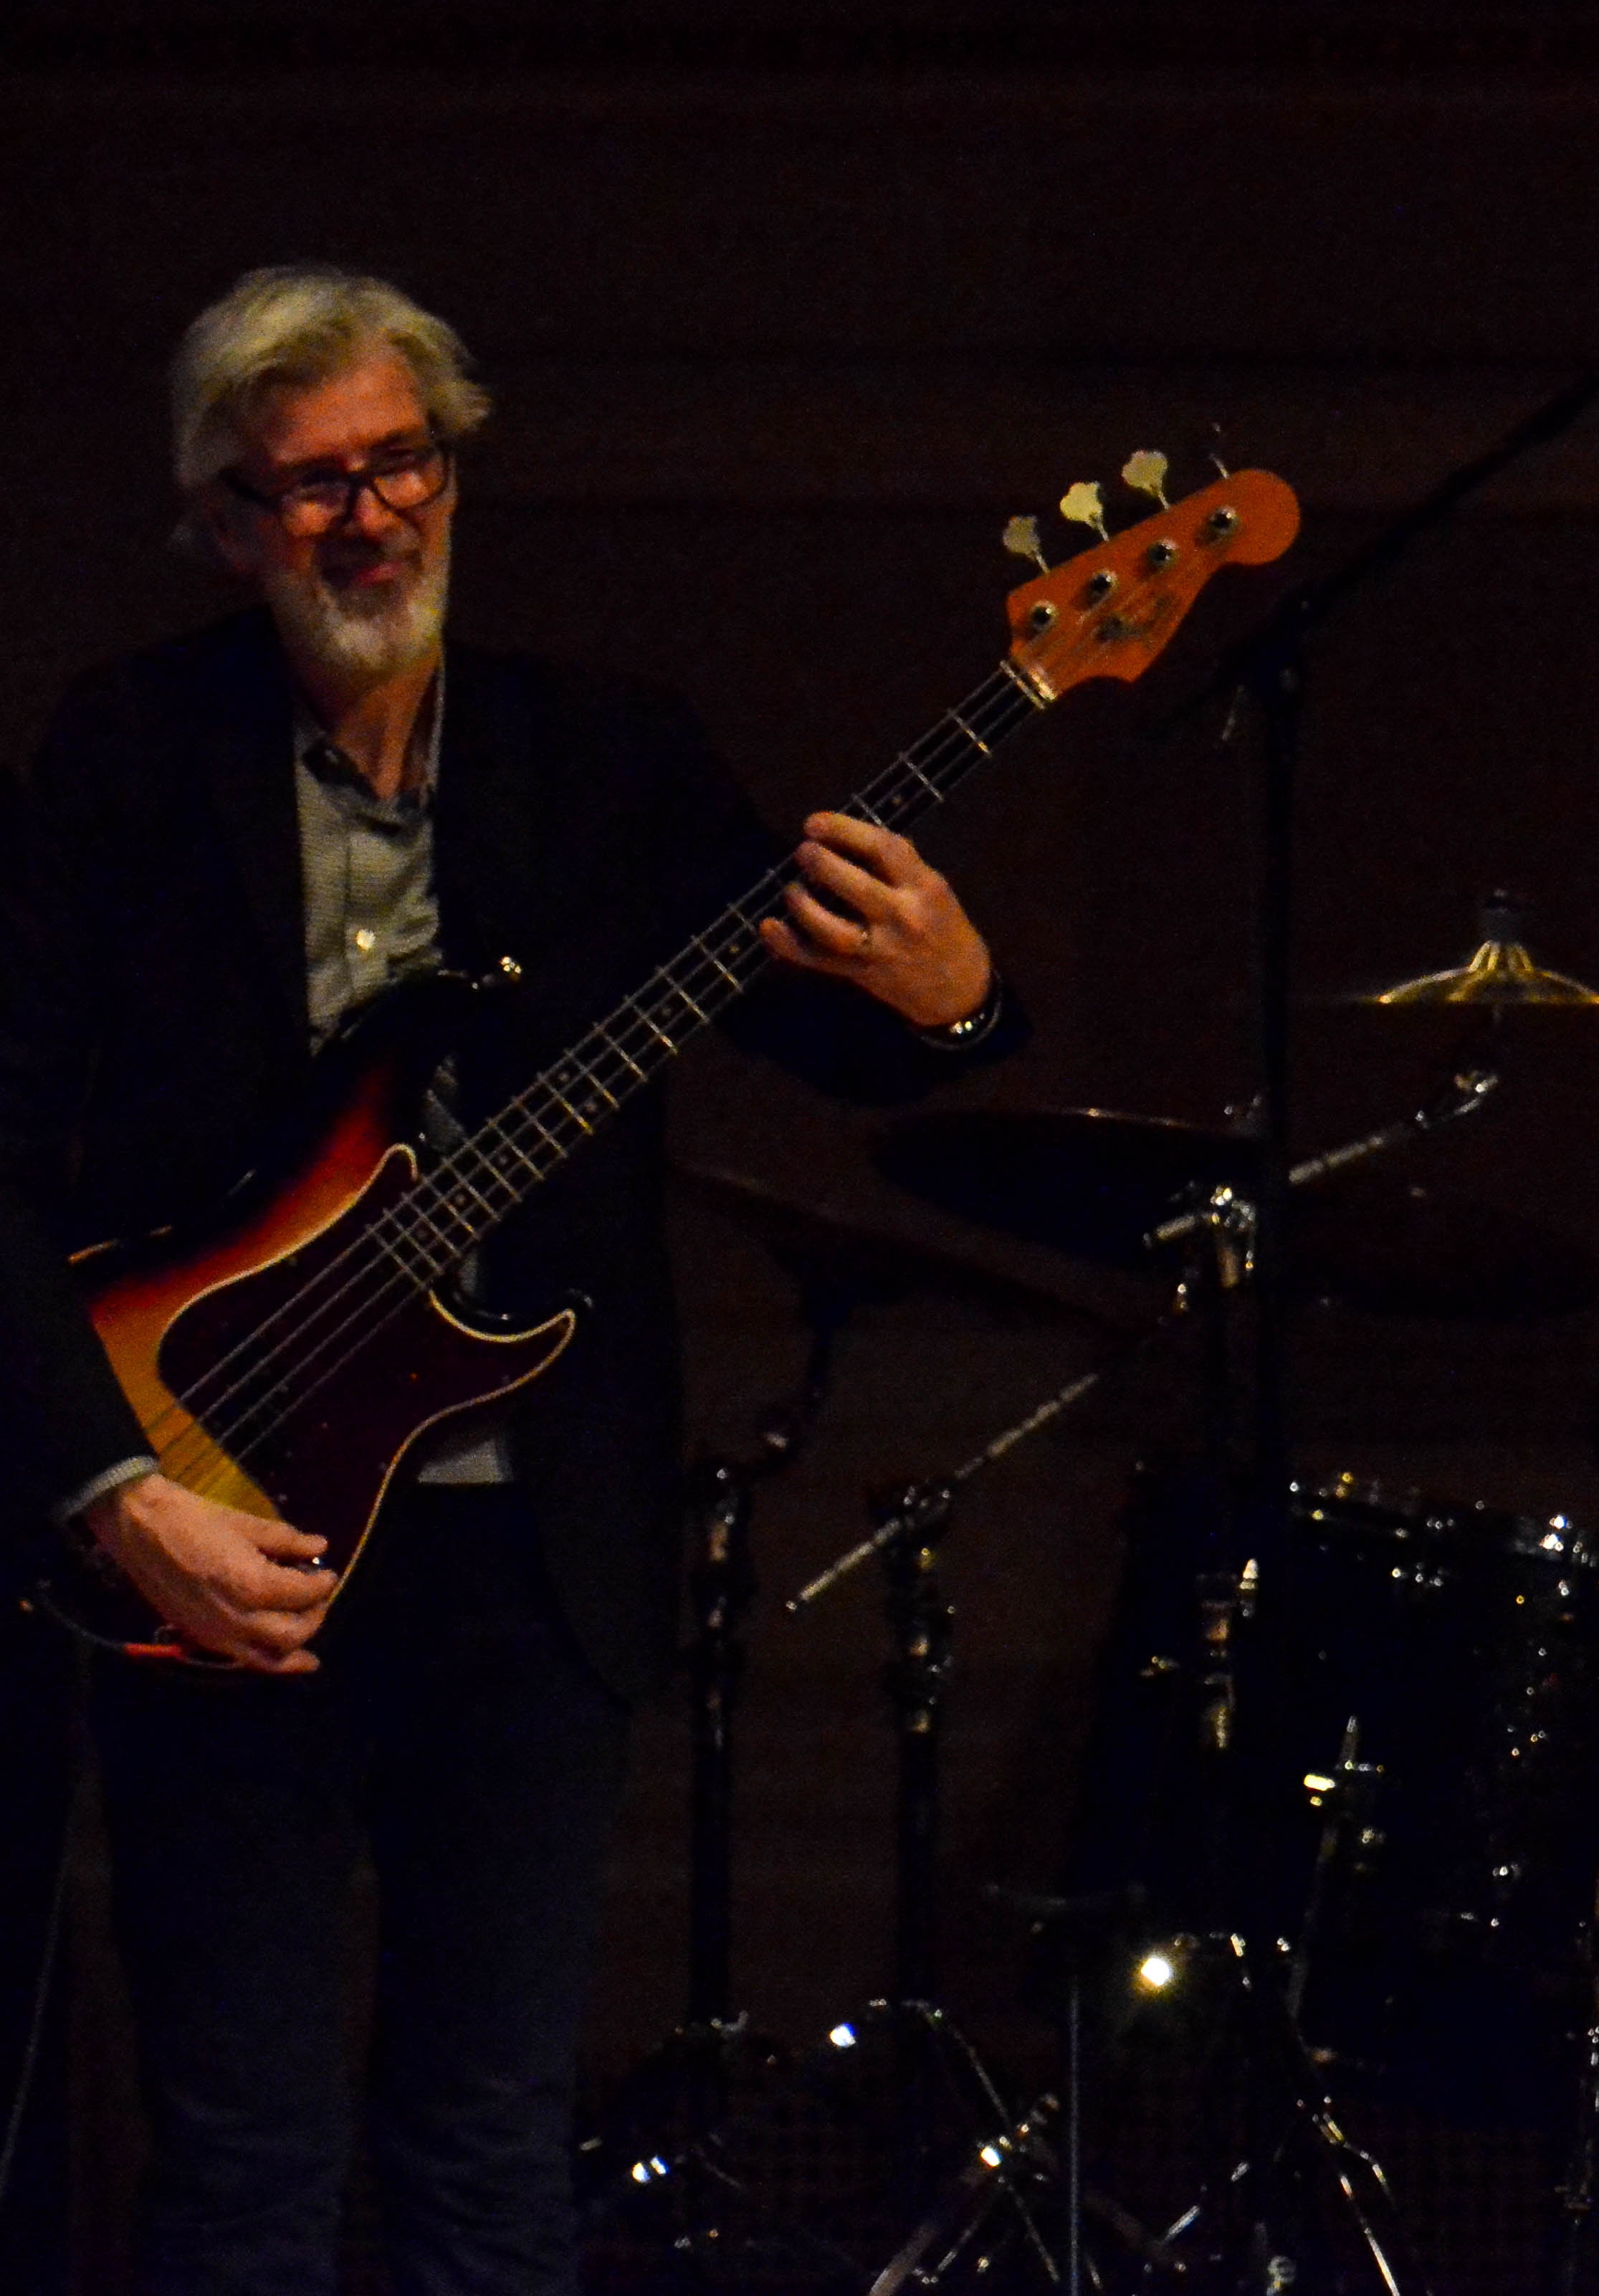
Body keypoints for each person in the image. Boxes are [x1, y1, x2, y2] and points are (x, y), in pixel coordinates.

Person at [0, 267, 1021, 2293]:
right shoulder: (125, 758)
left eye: (404, 464)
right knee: (241, 2162)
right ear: (220, 523)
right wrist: (116, 1494)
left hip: (527, 1562)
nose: (369, 521)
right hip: (220, 1539)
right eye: (306, 489)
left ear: (458, 474)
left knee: (487, 2151)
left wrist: (959, 996)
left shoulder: (607, 755)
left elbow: (837, 1032)